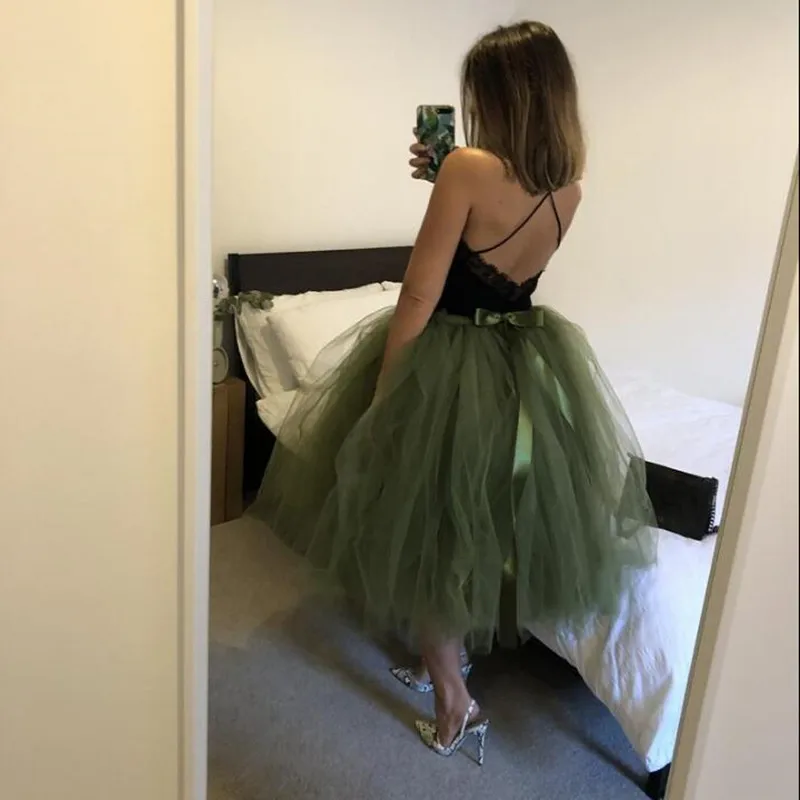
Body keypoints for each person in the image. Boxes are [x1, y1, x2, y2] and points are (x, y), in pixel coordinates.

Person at [250, 20, 656, 765]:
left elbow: (418, 295)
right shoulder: (569, 189)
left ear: (499, 96)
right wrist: (442, 179)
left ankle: (454, 702)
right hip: (521, 364)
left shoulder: (466, 168)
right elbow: (497, 245)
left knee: (429, 536)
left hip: (445, 362)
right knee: (469, 521)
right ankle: (453, 654)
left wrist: (387, 396)